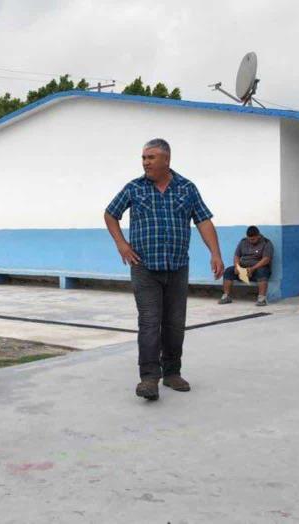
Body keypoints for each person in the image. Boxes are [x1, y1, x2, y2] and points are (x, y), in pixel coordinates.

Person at [104, 139, 224, 401]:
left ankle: (172, 372)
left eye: (151, 157)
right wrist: (122, 245)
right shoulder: (134, 188)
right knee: (149, 322)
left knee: (174, 323)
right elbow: (110, 213)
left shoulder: (187, 188)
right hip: (144, 267)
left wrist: (215, 253)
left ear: (166, 160)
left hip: (178, 267)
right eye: (143, 158)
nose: (145, 162)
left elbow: (203, 221)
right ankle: (149, 379)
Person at [218, 226, 274, 306]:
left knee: (262, 271)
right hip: (243, 269)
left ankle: (262, 298)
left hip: (257, 269)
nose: (251, 241)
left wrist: (252, 269)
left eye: (253, 239)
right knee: (228, 271)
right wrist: (237, 266)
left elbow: (266, 259)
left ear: (258, 236)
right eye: (249, 239)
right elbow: (236, 256)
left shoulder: (266, 243)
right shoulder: (243, 242)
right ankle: (226, 296)